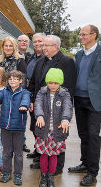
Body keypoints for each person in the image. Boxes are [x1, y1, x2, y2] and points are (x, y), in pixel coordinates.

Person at [68, 25, 101, 186]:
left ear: (93, 35)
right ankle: (84, 163)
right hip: (79, 99)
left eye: (83, 34)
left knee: (93, 136)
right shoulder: (80, 54)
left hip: (94, 102)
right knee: (83, 134)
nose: (80, 37)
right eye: (80, 34)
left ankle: (92, 172)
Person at [28, 35, 76, 174]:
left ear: (56, 46)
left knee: (57, 136)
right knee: (41, 132)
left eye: (46, 46)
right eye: (43, 45)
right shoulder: (41, 60)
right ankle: (42, 158)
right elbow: (33, 83)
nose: (43, 48)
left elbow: (69, 87)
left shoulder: (67, 62)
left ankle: (57, 167)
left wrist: (64, 111)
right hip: (40, 106)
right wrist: (31, 100)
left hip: (57, 107)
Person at [0, 70, 31, 185]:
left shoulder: (25, 92)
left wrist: (24, 106)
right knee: (6, 152)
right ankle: (6, 173)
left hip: (18, 128)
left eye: (15, 79)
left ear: (21, 81)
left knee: (18, 154)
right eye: (10, 79)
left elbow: (26, 100)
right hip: (5, 127)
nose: (12, 81)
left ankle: (17, 175)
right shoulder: (5, 91)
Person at [34, 68, 73, 187]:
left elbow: (68, 107)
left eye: (56, 83)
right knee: (44, 154)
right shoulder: (42, 92)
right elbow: (37, 104)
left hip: (57, 131)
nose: (53, 85)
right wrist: (39, 116)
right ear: (47, 82)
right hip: (44, 130)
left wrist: (65, 119)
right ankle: (44, 176)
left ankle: (51, 176)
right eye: (50, 82)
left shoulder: (65, 94)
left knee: (54, 155)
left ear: (60, 82)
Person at [25, 33, 46, 160]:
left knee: (41, 126)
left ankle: (42, 151)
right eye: (35, 42)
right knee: (33, 125)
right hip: (32, 94)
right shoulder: (31, 57)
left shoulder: (46, 58)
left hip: (42, 97)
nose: (37, 44)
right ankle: (38, 149)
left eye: (40, 41)